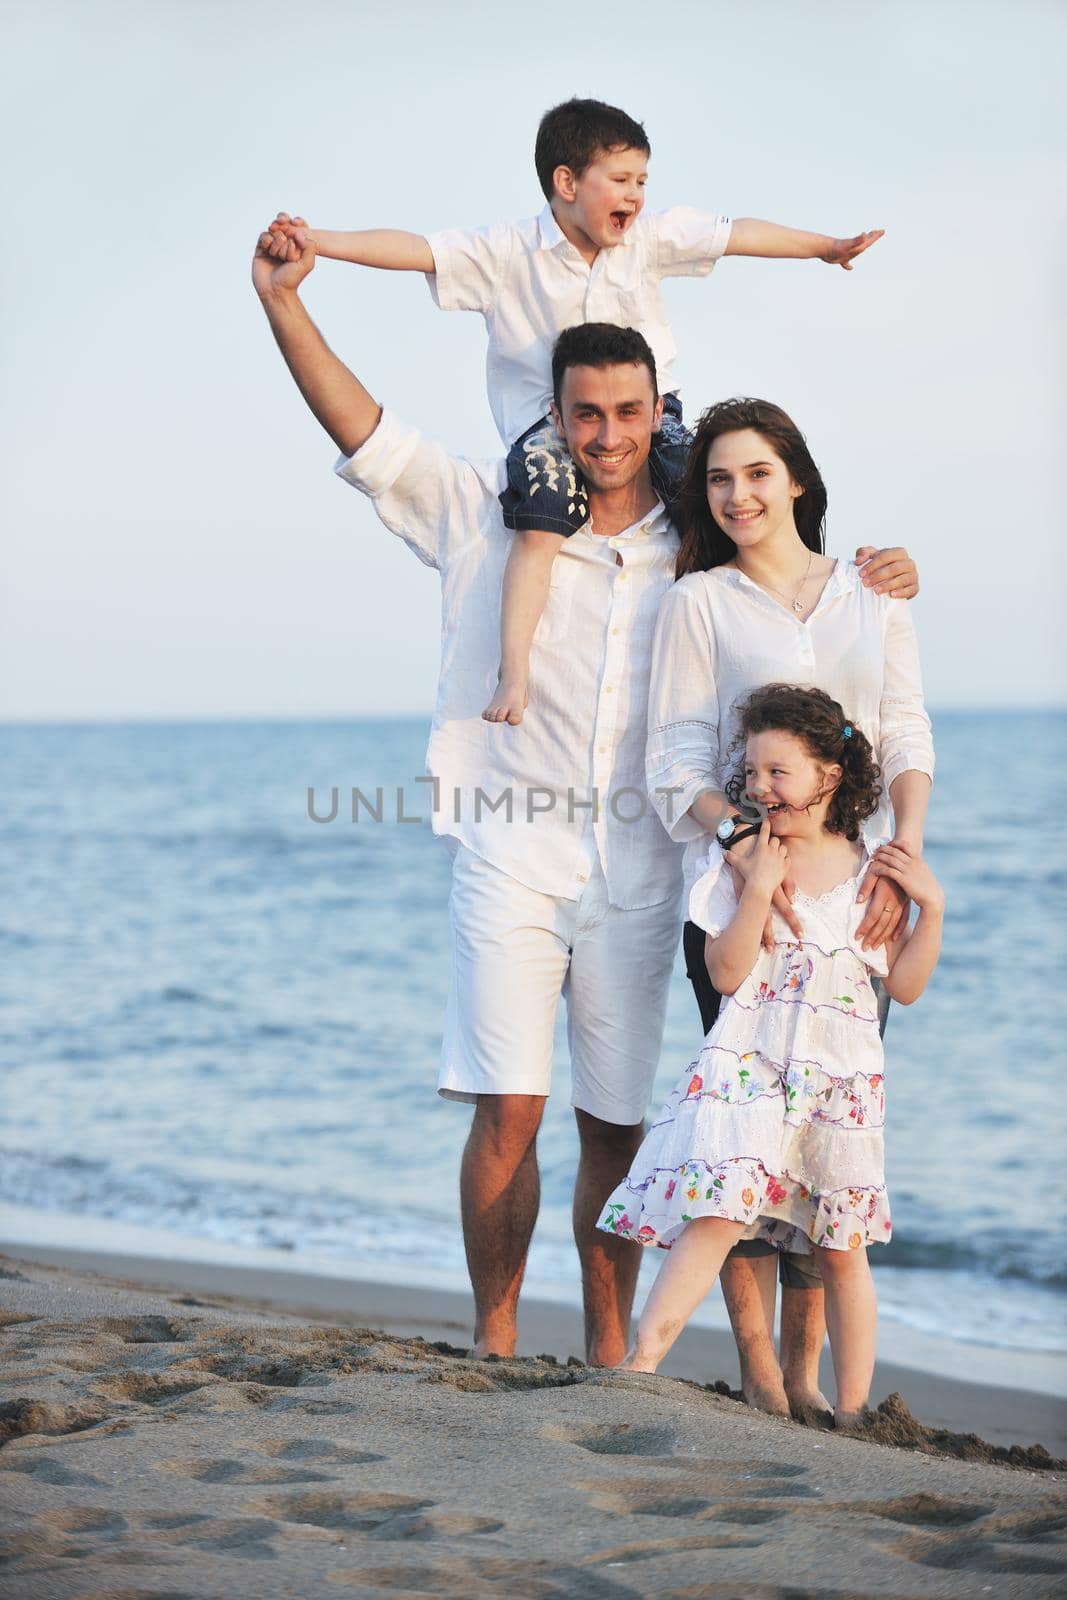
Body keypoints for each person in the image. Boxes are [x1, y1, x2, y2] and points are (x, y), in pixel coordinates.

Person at [252, 227, 917, 1367]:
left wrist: (875, 571)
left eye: (627, 413)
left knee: (613, 1120)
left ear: (657, 412)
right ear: (555, 416)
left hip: (646, 873)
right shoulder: (488, 519)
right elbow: (365, 431)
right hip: (511, 850)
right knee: (507, 1107)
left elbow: (800, 611)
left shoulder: (697, 551)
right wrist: (283, 305)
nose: (606, 436)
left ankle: (607, 1356)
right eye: (583, 414)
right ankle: (495, 1340)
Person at [260, 96, 885, 727]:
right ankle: (515, 671)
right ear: (565, 182)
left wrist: (824, 247)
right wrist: (318, 242)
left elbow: (739, 234)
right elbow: (415, 249)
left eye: (642, 181)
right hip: (545, 433)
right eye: (620, 180)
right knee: (539, 529)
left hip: (658, 418)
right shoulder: (506, 251)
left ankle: (801, 612)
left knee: (716, 511)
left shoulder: (649, 238)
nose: (636, 196)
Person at [644, 396, 935, 1416]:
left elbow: (901, 729)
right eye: (717, 479)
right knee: (738, 1147)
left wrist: (904, 860)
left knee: (826, 1143)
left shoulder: (871, 590)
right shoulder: (698, 603)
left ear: (796, 479)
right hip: (742, 901)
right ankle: (761, 1377)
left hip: (850, 905)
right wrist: (744, 851)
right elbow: (672, 759)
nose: (736, 495)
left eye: (756, 473)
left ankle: (810, 1382)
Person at [602, 685, 944, 1428]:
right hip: (749, 1073)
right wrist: (755, 885)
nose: (758, 787)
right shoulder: (742, 860)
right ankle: (641, 1363)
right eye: (750, 772)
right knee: (719, 1213)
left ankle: (854, 1409)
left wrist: (932, 908)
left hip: (838, 1086)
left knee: (840, 1244)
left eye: (777, 772)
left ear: (828, 775)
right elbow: (725, 974)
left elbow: (907, 987)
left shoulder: (870, 877)